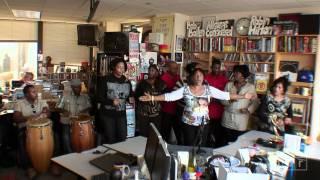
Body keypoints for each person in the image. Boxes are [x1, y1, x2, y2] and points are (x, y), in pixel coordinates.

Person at [139, 68, 256, 146]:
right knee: (190, 145)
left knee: (202, 145)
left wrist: (243, 96)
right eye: (196, 75)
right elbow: (170, 97)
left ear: (203, 78)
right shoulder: (185, 89)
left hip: (204, 124)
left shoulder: (209, 89)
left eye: (200, 75)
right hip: (188, 123)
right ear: (192, 78)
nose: (198, 77)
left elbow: (226, 95)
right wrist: (153, 98)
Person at [13, 85, 50, 179]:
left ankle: (49, 161)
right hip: (26, 128)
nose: (36, 94)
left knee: (53, 136)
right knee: (22, 139)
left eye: (35, 91)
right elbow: (16, 118)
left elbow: (47, 111)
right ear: (26, 95)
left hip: (42, 128)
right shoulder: (19, 103)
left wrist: (45, 112)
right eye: (32, 92)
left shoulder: (41, 101)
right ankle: (28, 167)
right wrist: (30, 118)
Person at [98, 58, 134, 144]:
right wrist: (111, 102)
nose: (121, 70)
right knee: (110, 139)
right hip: (108, 115)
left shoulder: (127, 81)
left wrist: (131, 99)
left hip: (121, 114)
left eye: (123, 67)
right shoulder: (105, 79)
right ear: (114, 67)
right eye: (119, 67)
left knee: (122, 138)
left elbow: (130, 96)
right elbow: (98, 97)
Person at [221, 65, 259, 145]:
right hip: (227, 119)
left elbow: (256, 102)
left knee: (237, 144)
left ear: (243, 74)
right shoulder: (229, 85)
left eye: (237, 72)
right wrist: (229, 101)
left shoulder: (250, 87)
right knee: (224, 143)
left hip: (241, 120)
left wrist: (248, 110)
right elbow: (222, 100)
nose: (234, 74)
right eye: (234, 72)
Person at [56, 79, 92, 153]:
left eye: (79, 87)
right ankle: (69, 153)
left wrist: (84, 111)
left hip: (80, 122)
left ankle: (82, 151)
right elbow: (57, 108)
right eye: (76, 87)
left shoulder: (84, 96)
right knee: (66, 135)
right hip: (67, 121)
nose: (78, 89)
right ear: (72, 87)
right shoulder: (65, 95)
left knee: (84, 135)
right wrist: (64, 111)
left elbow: (90, 106)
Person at [173, 62, 201, 145]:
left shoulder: (202, 81)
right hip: (182, 111)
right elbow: (175, 94)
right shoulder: (182, 81)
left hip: (197, 112)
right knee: (184, 135)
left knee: (195, 135)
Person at [134, 65, 165, 137]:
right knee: (143, 134)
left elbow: (165, 97)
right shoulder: (142, 83)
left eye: (152, 70)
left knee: (155, 134)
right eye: (149, 70)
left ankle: (153, 148)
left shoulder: (162, 84)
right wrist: (141, 98)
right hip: (143, 114)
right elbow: (136, 96)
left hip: (156, 114)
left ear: (157, 72)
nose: (150, 72)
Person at [205, 58, 228, 147]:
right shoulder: (206, 78)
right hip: (207, 111)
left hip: (219, 111)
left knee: (218, 134)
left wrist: (218, 99)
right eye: (215, 68)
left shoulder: (224, 80)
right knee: (206, 133)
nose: (216, 70)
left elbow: (225, 94)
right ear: (211, 67)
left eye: (218, 68)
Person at [160, 61, 181, 143]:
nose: (176, 70)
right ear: (169, 68)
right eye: (174, 68)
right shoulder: (163, 78)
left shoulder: (178, 77)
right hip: (167, 110)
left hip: (177, 109)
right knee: (165, 132)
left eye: (177, 68)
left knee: (179, 132)